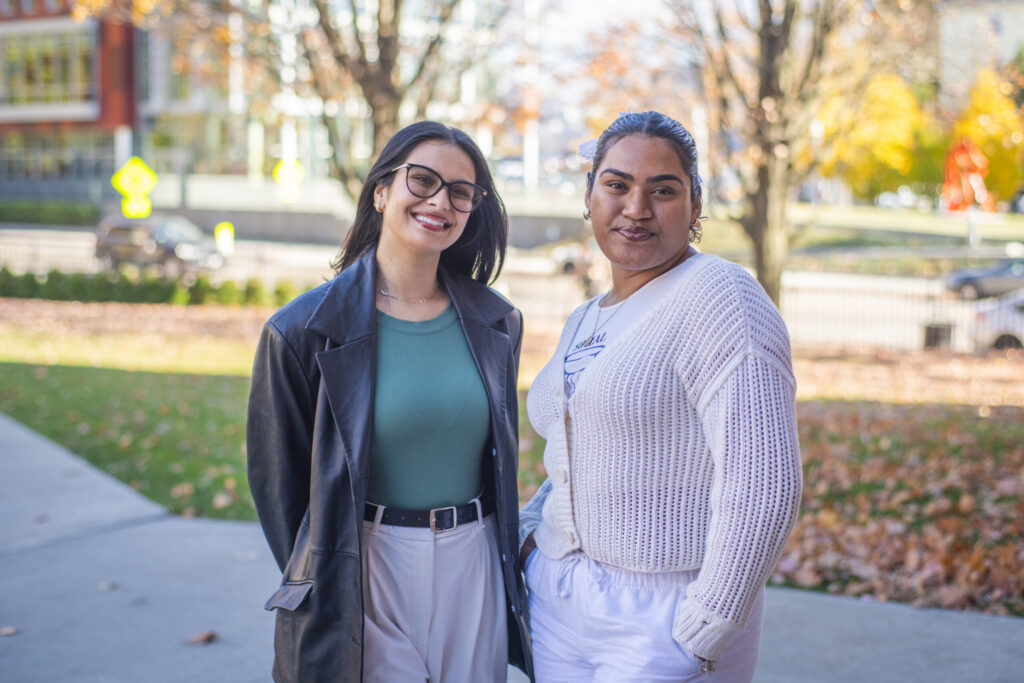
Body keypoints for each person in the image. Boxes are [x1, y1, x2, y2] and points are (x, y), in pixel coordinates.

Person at [519, 111, 802, 682]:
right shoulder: (587, 318)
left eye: (663, 190)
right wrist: (530, 535)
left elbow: (765, 483)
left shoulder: (722, 298)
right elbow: (578, 451)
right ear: (590, 196)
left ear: (696, 205)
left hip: (662, 613)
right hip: (560, 600)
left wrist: (708, 625)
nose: (636, 207)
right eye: (617, 185)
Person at [247, 121, 533, 683]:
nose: (439, 201)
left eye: (460, 191)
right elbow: (278, 487)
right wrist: (328, 573)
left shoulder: (497, 322)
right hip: (365, 567)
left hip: (473, 565)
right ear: (381, 191)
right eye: (421, 180)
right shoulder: (301, 329)